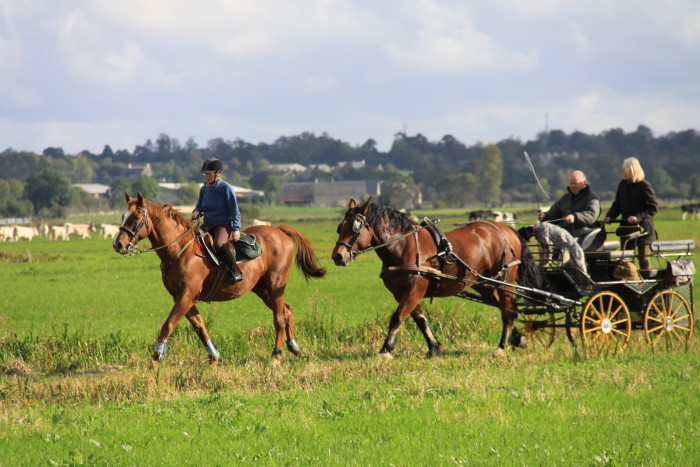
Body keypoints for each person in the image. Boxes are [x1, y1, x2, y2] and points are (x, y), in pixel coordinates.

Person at [604, 157, 658, 277]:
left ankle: (647, 286)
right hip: (626, 229)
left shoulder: (644, 186)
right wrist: (609, 216)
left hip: (643, 230)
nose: (623, 173)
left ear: (632, 171)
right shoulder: (622, 185)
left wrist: (637, 217)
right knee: (627, 260)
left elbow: (653, 208)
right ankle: (630, 283)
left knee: (644, 259)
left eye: (625, 170)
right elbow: (617, 203)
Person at [192, 158, 243, 283]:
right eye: (205, 174)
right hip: (208, 223)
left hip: (223, 224)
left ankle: (235, 271)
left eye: (209, 174)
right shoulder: (204, 189)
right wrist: (196, 211)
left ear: (218, 173)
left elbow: (234, 210)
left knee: (219, 245)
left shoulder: (226, 188)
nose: (207, 176)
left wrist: (236, 229)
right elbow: (200, 206)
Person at [538, 170, 601, 237]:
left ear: (584, 183)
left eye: (575, 183)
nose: (572, 186)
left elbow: (591, 215)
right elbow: (553, 213)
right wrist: (545, 216)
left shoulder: (592, 198)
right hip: (564, 233)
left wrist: (575, 217)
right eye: (571, 183)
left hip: (583, 233)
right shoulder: (565, 198)